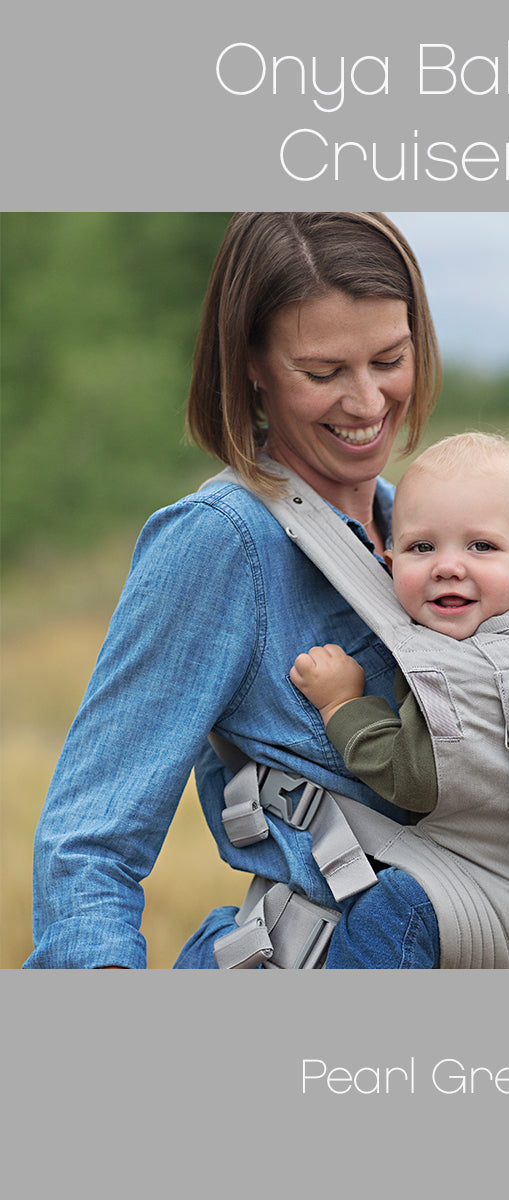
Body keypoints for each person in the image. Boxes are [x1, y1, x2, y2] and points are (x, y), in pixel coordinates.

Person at [24, 211, 444, 969]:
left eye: (390, 358)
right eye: (322, 373)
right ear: (251, 364)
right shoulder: (222, 542)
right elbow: (89, 844)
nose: (367, 402)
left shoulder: (431, 538)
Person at [291, 432, 509, 968]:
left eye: (480, 546)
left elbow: (415, 775)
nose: (448, 566)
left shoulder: (459, 666)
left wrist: (343, 704)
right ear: (389, 563)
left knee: (393, 907)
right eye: (421, 547)